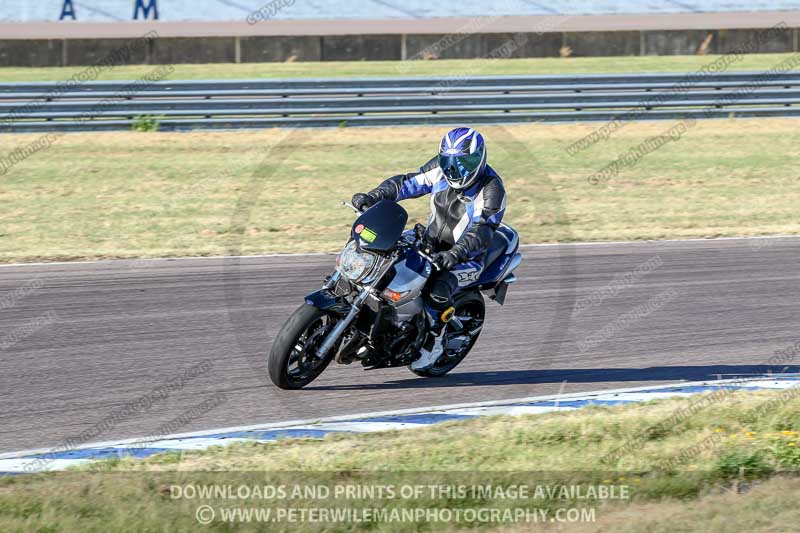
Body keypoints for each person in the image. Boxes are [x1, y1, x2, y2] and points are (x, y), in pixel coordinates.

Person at [351, 127, 507, 370]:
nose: (456, 170)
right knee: (382, 253)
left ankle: (433, 344)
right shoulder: (440, 170)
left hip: (465, 256)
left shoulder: (491, 189)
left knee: (437, 290)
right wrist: (374, 197)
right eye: (450, 162)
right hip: (429, 240)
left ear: (480, 157)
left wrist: (454, 254)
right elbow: (406, 183)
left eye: (465, 162)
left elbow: (482, 231)